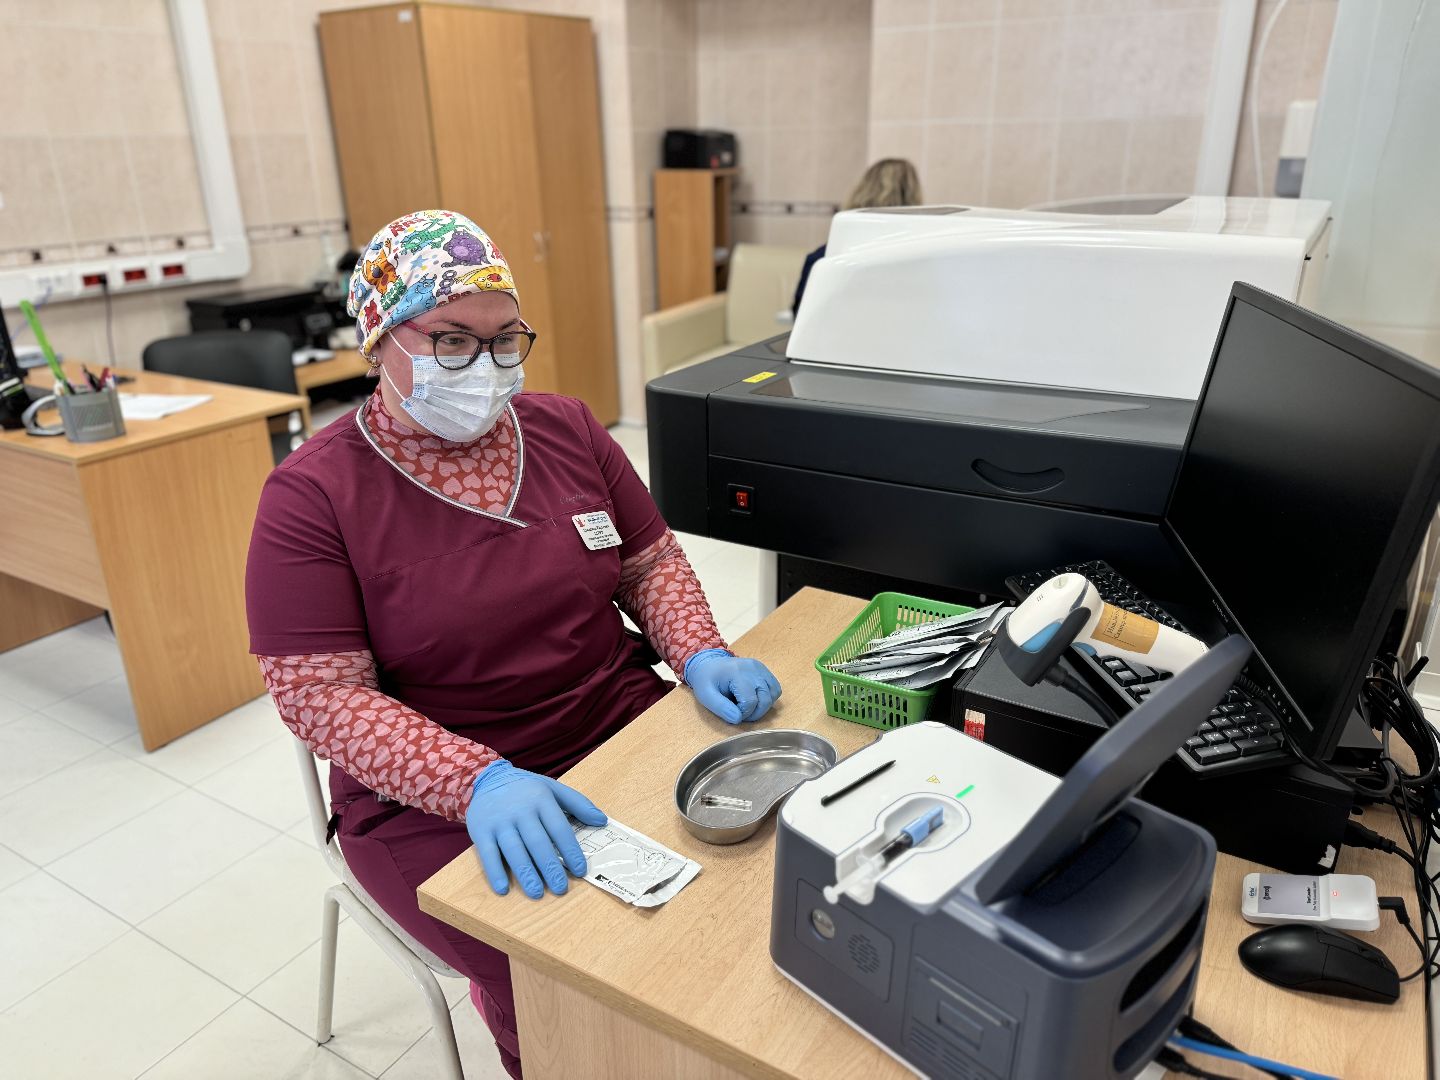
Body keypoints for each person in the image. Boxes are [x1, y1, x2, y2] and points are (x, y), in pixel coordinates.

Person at [245, 208, 782, 1078]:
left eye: (504, 342)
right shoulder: (312, 497)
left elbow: (650, 564)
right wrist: (476, 780)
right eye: (451, 340)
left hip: (614, 722)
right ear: (380, 339)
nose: (485, 369)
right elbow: (320, 699)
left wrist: (700, 651)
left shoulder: (566, 428)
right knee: (558, 961)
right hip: (432, 794)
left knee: (734, 869)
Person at [792, 158, 923, 314]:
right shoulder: (918, 259)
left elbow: (800, 315)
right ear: (912, 197)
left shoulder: (823, 258)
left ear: (863, 190)